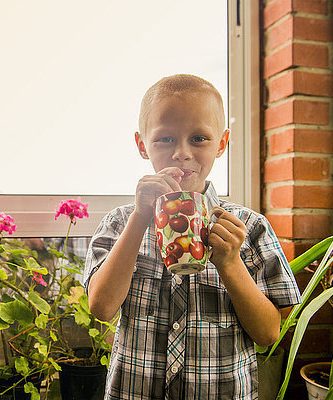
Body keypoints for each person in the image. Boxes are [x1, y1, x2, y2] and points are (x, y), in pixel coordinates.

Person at [83, 74, 301, 399]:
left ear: (222, 143)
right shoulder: (120, 223)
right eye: (165, 139)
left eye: (198, 138)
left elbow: (269, 333)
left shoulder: (249, 228)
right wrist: (141, 218)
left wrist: (230, 264)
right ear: (142, 145)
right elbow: (101, 307)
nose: (182, 153)